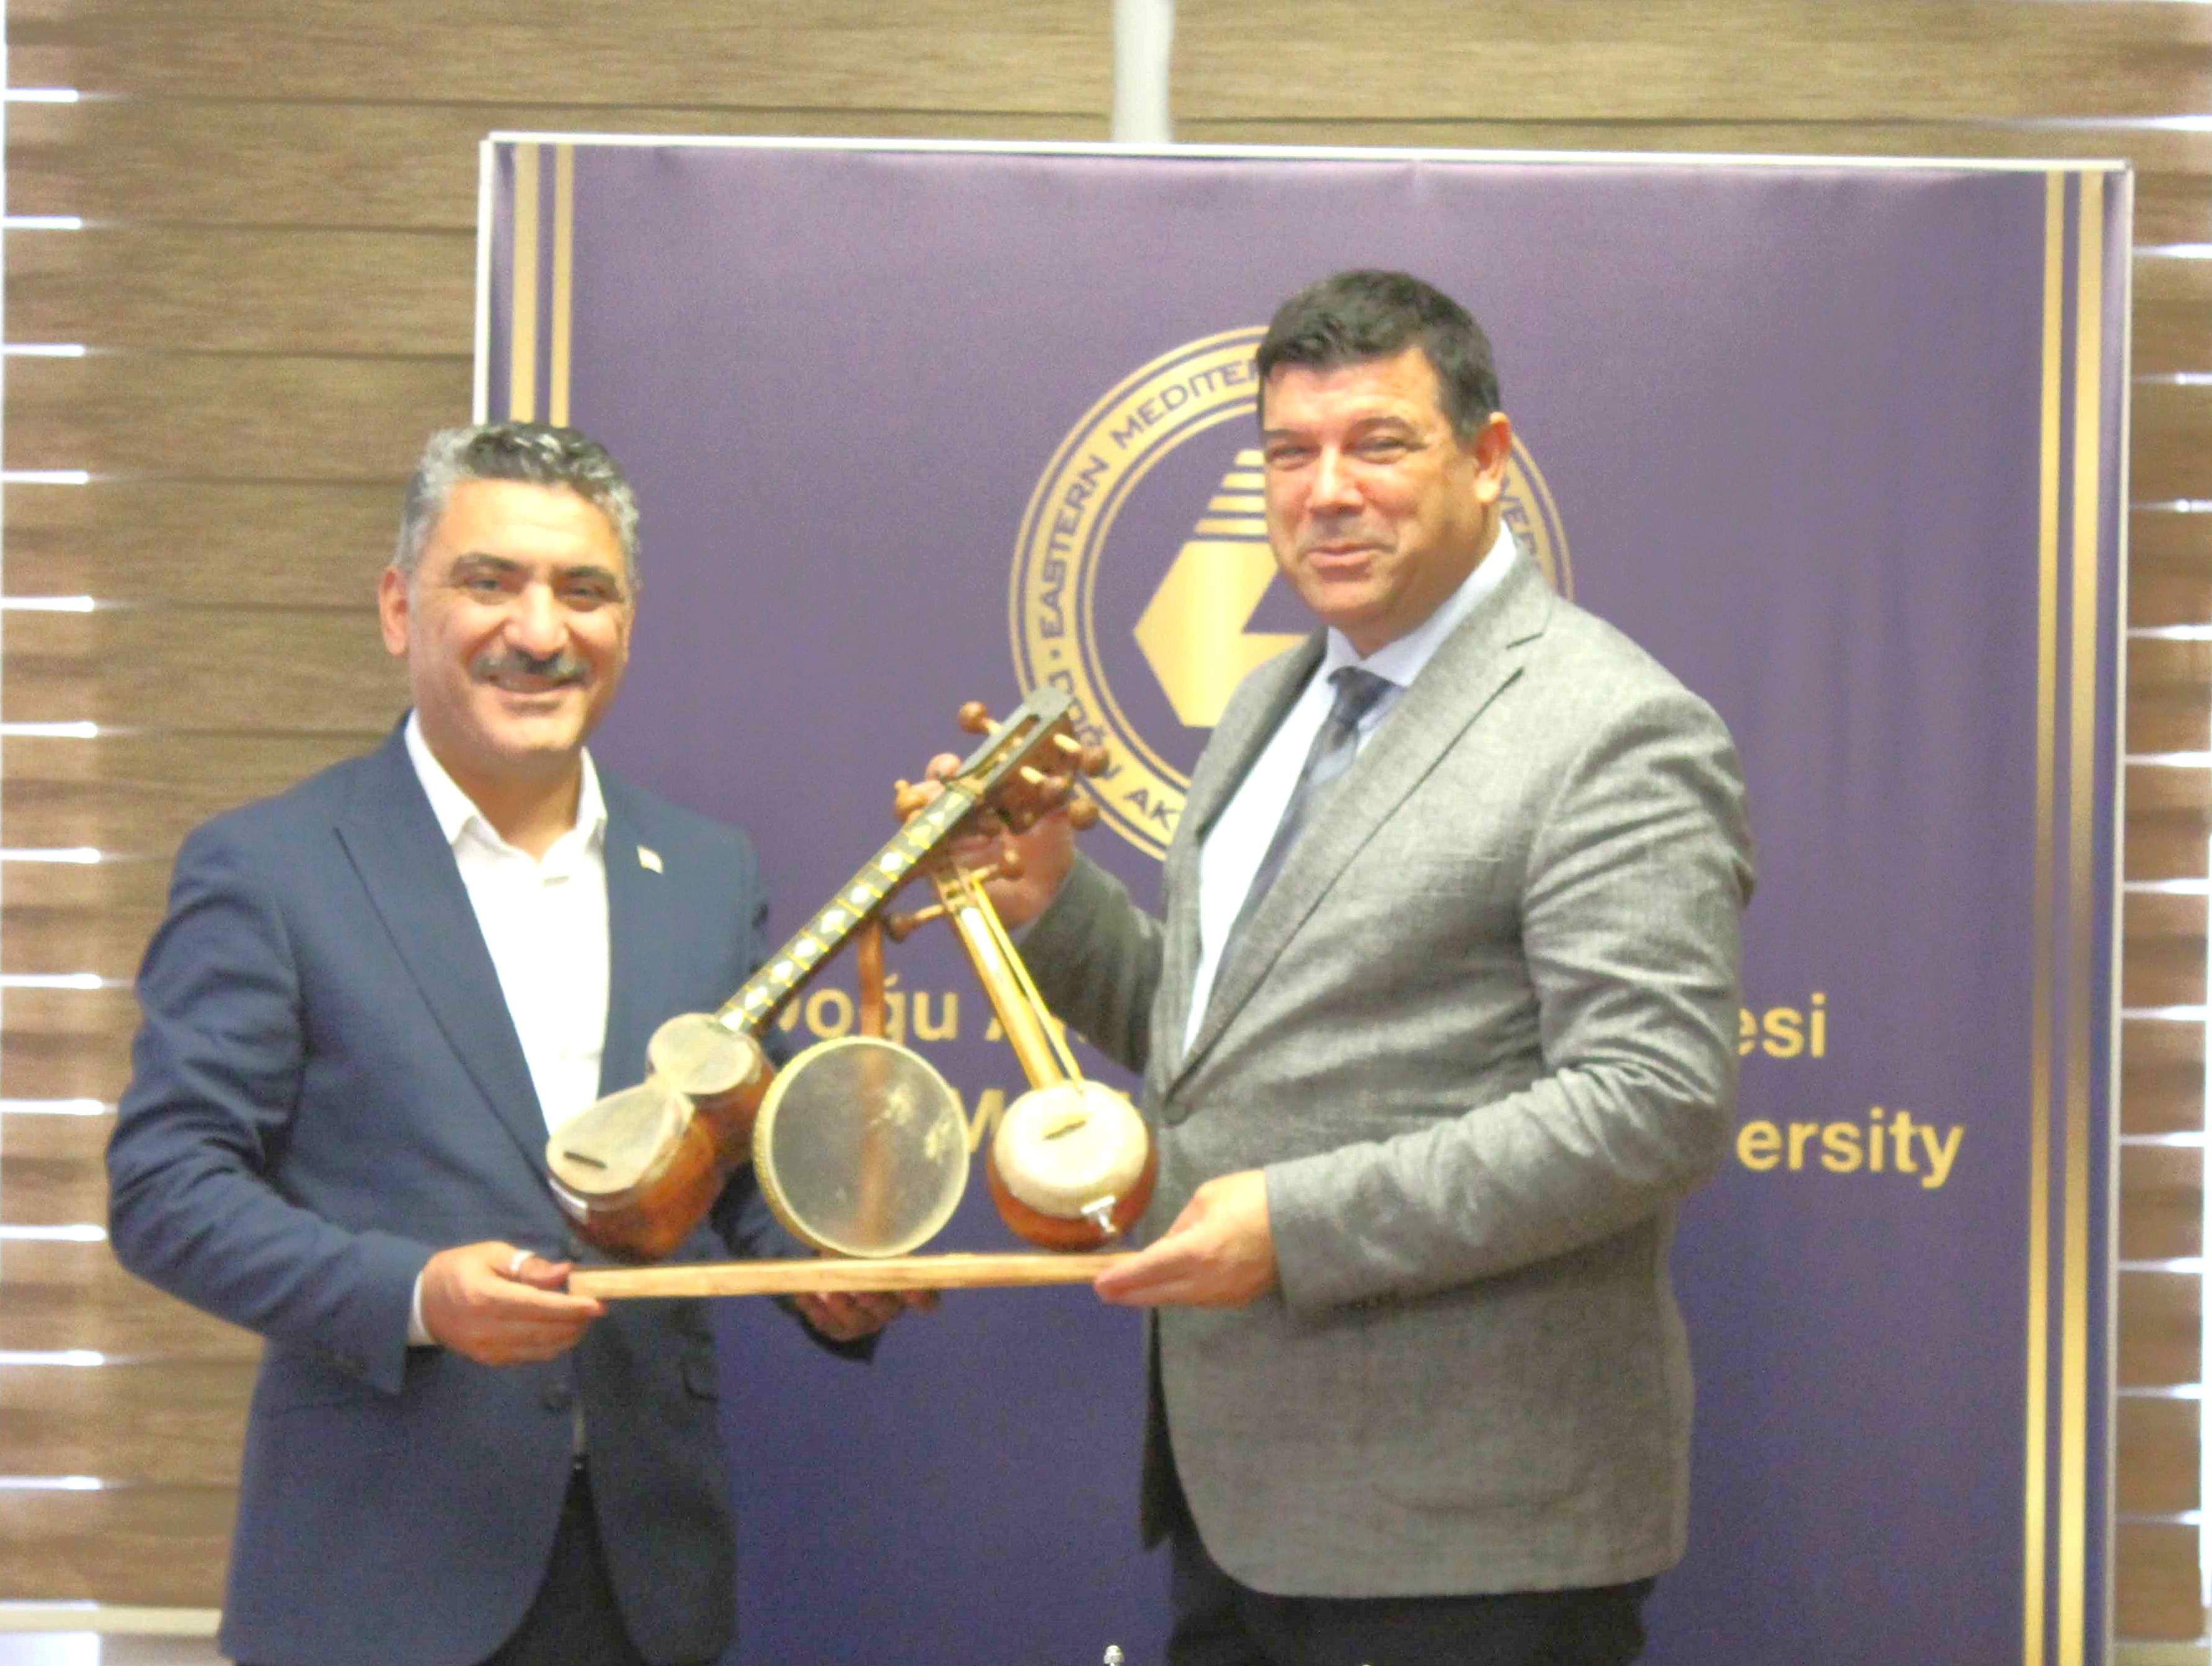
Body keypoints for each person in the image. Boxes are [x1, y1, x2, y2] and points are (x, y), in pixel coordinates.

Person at [974, 271, 1754, 1665]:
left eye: (1377, 444)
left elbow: (1650, 1104)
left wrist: (1297, 1226)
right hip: (1241, 1511)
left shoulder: (1612, 728)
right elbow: (1224, 1045)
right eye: (1289, 452)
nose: (1325, 492)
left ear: (1488, 459)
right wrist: (1049, 904)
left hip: (1472, 1545)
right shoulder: (1272, 700)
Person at [107, 422, 914, 1666]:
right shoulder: (271, 867)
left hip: (644, 1585)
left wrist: (826, 1274)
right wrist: (414, 1297)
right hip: (374, 1583)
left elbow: (736, 1166)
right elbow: (166, 1190)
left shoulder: (707, 874)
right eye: (490, 582)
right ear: (398, 608)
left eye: (583, 592)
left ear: (626, 625)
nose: (540, 632)